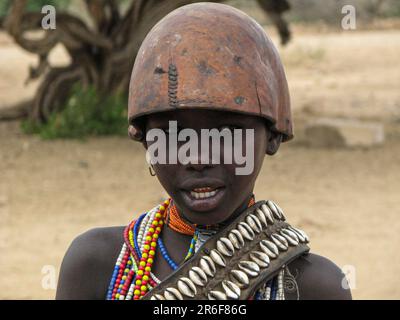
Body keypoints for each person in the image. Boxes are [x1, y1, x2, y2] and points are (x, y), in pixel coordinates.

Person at [56, 3, 351, 300]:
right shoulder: (94, 266)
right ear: (146, 141)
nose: (198, 158)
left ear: (273, 135)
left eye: (228, 134)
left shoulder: (315, 287)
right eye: (174, 134)